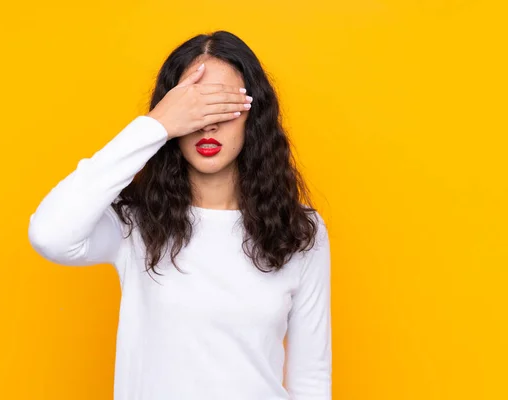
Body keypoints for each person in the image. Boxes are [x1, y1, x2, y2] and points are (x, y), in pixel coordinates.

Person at [28, 30, 331, 400]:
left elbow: (311, 380)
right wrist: (156, 126)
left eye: (222, 106)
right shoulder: (136, 224)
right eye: (194, 107)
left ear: (255, 116)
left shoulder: (300, 231)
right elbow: (50, 234)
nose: (208, 124)